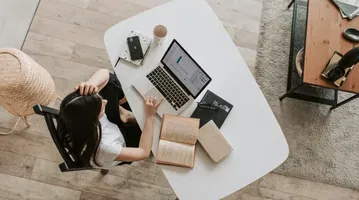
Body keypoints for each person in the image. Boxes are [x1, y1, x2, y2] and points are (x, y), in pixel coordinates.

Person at [57, 69, 162, 168]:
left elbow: (105, 74)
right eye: (101, 107)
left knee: (110, 83)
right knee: (158, 130)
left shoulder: (73, 112)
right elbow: (143, 152)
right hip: (122, 141)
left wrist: (90, 84)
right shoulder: (106, 148)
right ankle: (125, 115)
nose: (105, 102)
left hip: (108, 127)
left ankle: (123, 115)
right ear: (93, 119)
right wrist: (150, 116)